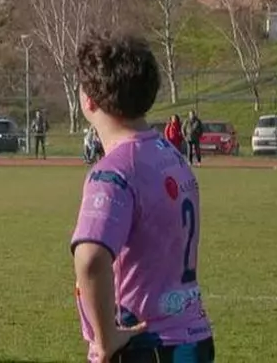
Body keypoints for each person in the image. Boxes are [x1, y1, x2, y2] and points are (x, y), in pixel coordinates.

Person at [71, 31, 214, 362]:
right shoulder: (171, 156)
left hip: (144, 343)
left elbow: (90, 259)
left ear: (89, 100)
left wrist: (106, 339)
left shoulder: (113, 173)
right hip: (192, 337)